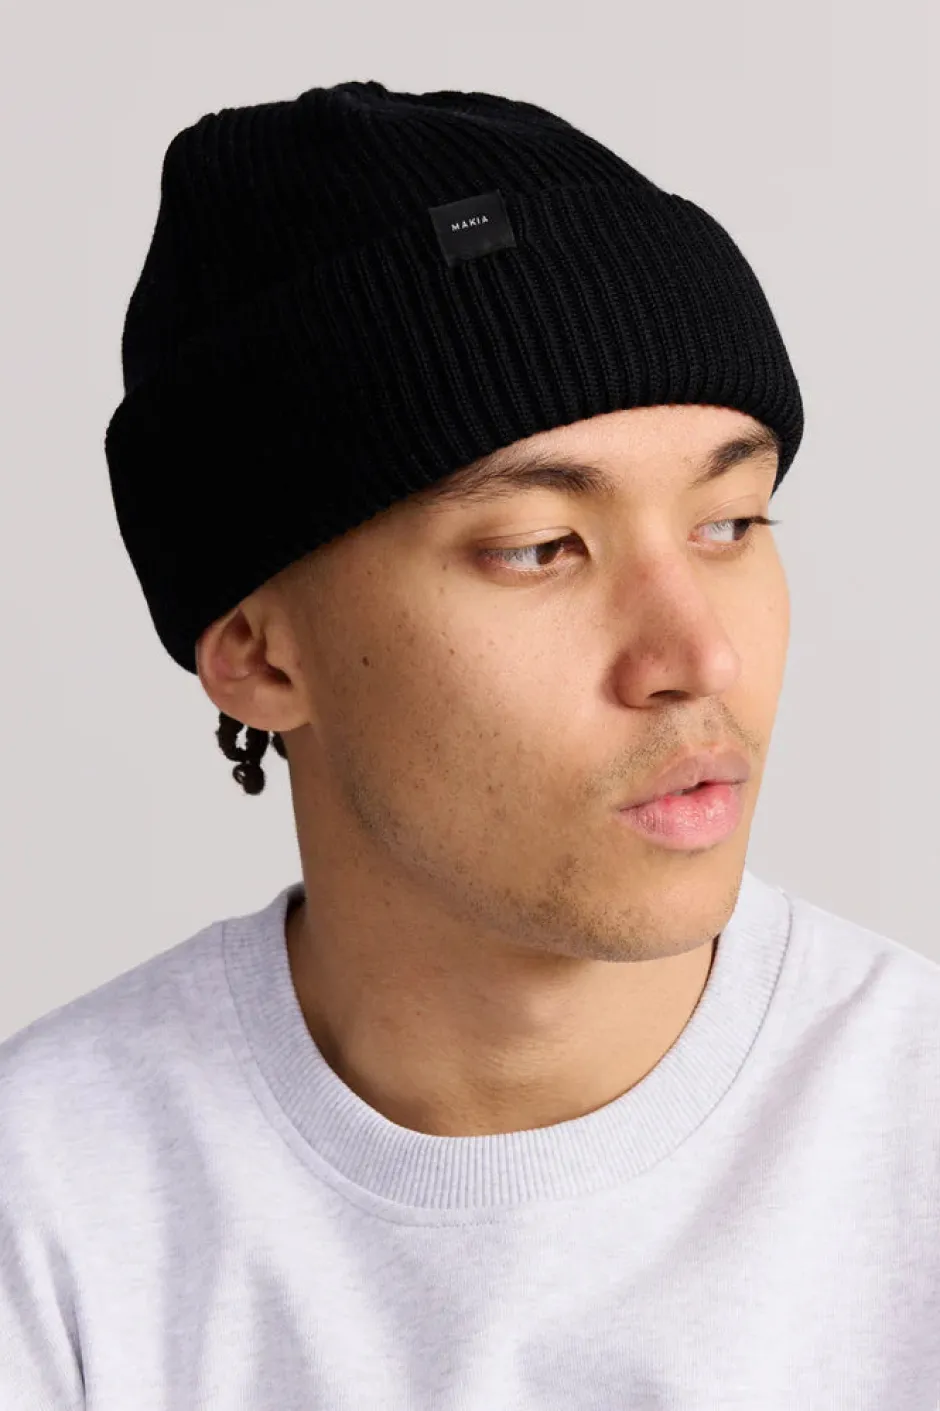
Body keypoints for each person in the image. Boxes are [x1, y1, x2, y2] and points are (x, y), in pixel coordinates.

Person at [1, 80, 937, 1409]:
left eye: (730, 523)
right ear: (261, 653)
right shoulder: (49, 1206)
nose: (698, 656)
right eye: (540, 548)